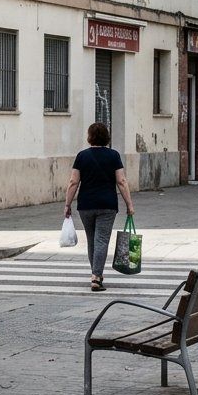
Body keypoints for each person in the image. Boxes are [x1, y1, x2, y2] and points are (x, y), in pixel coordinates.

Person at [64, 123, 135, 292]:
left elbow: (73, 182)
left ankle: (96, 274)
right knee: (101, 240)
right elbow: (121, 181)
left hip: (86, 205)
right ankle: (96, 276)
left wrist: (67, 204)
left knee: (92, 240)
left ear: (90, 137)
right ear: (106, 137)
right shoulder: (113, 155)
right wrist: (129, 204)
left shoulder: (82, 156)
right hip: (107, 205)